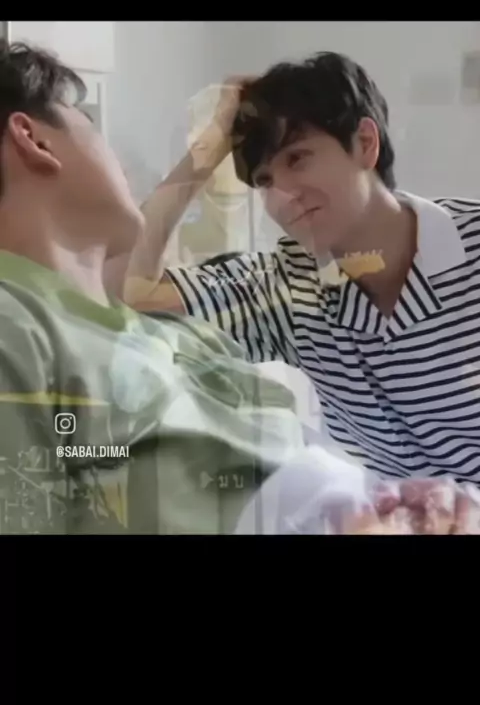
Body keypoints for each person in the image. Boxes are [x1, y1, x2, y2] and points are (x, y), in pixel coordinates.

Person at [115, 51, 480, 487]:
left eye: (297, 158)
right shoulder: (288, 287)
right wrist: (207, 148)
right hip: (403, 515)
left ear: (365, 144)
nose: (282, 195)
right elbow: (131, 294)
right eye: (265, 181)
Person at [0, 40, 307, 535]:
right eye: (89, 123)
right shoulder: (16, 331)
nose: (118, 159)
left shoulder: (178, 337)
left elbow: (127, 286)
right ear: (34, 140)